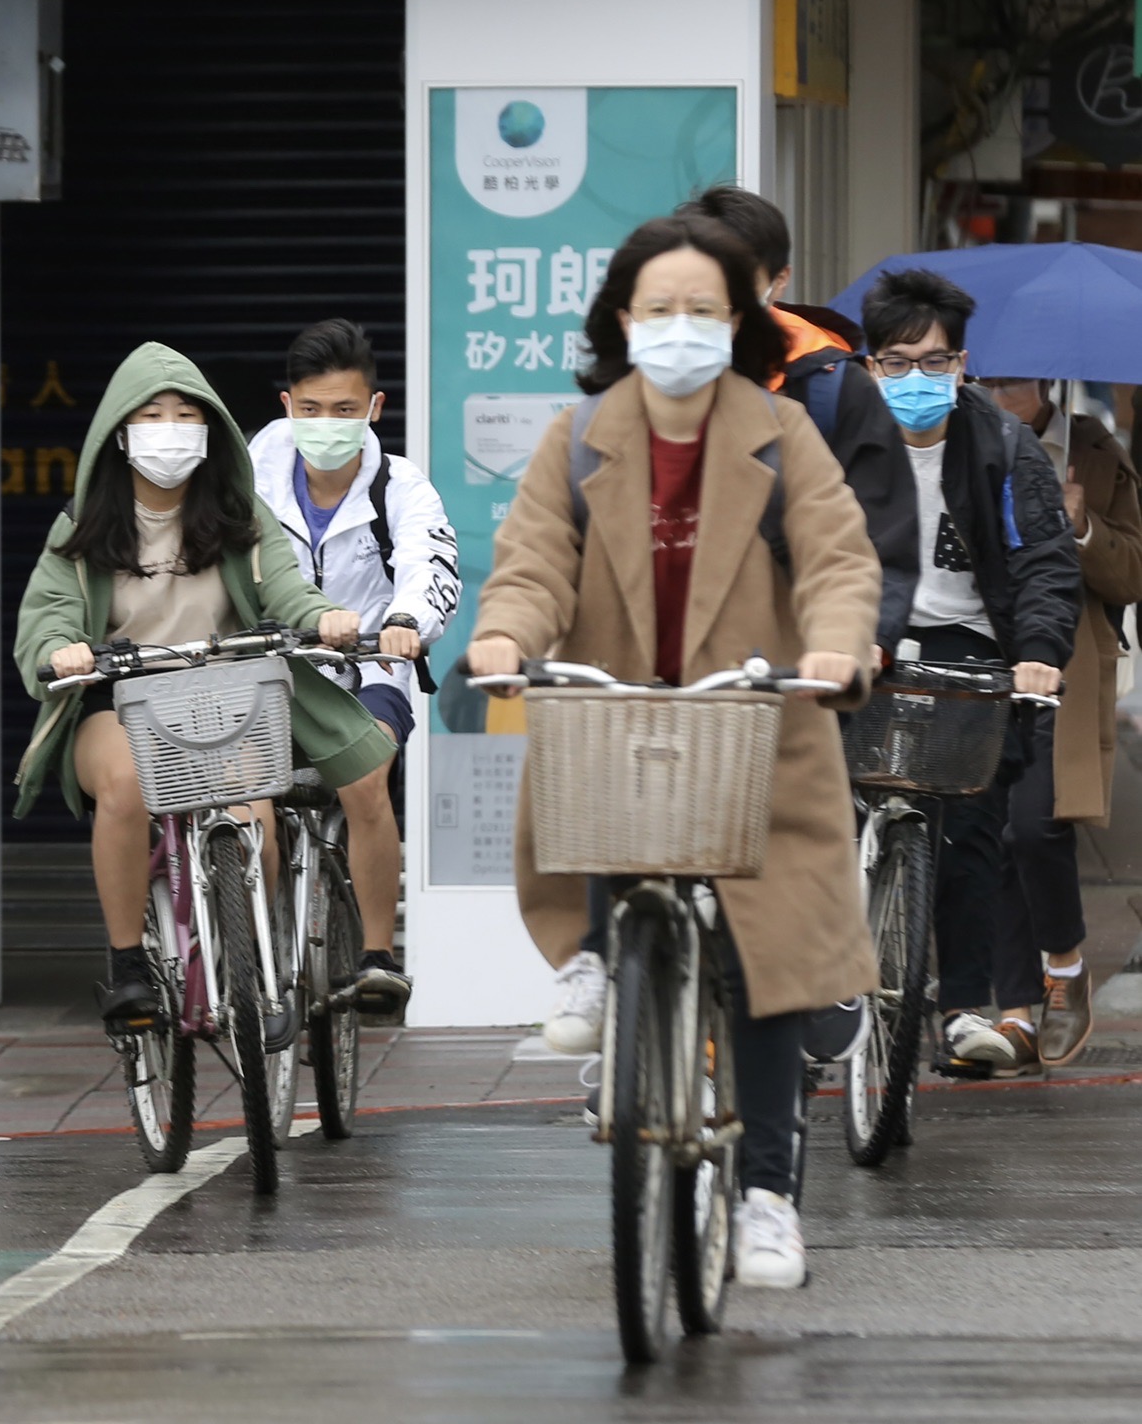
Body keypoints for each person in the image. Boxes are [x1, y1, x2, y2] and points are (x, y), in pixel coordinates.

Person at [466, 213, 882, 1288]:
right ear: (622, 318)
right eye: (661, 309)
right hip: (618, 707)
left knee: (765, 965)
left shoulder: (782, 434)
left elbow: (838, 559)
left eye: (704, 309)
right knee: (603, 789)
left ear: (738, 319)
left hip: (755, 716)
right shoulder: (582, 435)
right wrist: (507, 633)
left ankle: (768, 1195)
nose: (681, 328)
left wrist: (838, 649)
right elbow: (531, 556)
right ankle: (602, 953)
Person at [15, 343, 406, 1023]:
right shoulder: (79, 528)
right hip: (122, 702)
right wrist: (62, 649)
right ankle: (128, 961)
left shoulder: (240, 519)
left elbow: (288, 590)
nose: (170, 429)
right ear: (119, 432)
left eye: (186, 415)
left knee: (255, 814)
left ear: (211, 430)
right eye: (152, 415)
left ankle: (257, 963)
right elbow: (45, 619)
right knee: (125, 786)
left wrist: (324, 617)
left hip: (228, 697)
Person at [858, 271, 1081, 1076]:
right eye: (898, 361)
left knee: (973, 830)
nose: (918, 378)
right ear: (870, 364)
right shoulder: (839, 441)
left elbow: (1048, 563)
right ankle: (831, 993)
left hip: (973, 648)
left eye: (936, 361)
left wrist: (1039, 654)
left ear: (962, 363)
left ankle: (961, 1008)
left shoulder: (1003, 445)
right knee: (823, 809)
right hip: (863, 641)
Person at [244, 319, 455, 1012]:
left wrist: (404, 624)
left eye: (343, 410)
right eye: (310, 409)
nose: (326, 424)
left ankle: (375, 955)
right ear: (287, 406)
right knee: (245, 797)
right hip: (271, 667)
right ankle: (260, 947)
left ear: (375, 408)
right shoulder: (247, 479)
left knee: (366, 778)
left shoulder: (401, 485)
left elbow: (431, 565)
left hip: (370, 670)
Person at [969, 371, 1140, 1066]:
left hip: (1061, 660)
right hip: (979, 650)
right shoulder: (957, 441)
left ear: (1043, 382)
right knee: (989, 825)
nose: (998, 390)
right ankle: (1014, 1012)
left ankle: (1063, 971)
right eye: (987, 377)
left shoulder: (1093, 451)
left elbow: (1131, 573)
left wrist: (1081, 526)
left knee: (1034, 825)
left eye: (1011, 380)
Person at [676, 187, 919, 650]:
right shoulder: (645, 384)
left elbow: (881, 535)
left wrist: (865, 640)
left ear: (780, 279)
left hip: (798, 656)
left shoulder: (832, 387)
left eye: (738, 275)